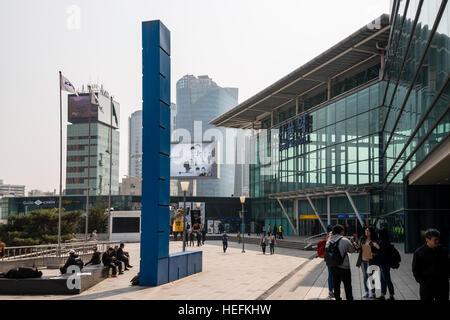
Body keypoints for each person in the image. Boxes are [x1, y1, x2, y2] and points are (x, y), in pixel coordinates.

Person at [412, 228, 450, 301]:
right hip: (427, 288)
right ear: (427, 239)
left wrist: (446, 279)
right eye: (435, 240)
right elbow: (415, 270)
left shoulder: (443, 250)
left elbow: (448, 265)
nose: (437, 241)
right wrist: (423, 283)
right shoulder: (419, 252)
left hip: (442, 286)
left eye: (438, 239)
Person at [326, 224, 357, 300]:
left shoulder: (329, 240)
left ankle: (337, 298)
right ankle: (349, 298)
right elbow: (352, 250)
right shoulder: (345, 240)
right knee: (347, 285)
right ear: (341, 231)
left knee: (336, 284)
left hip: (333, 266)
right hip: (344, 266)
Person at [355, 226, 379, 299]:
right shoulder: (362, 239)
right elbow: (359, 248)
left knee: (371, 276)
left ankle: (372, 292)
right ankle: (366, 291)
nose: (366, 232)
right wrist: (356, 245)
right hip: (363, 260)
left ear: (371, 232)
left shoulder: (375, 240)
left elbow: (378, 250)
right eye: (366, 231)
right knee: (365, 276)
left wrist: (374, 254)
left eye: (368, 231)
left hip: (371, 260)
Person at [374, 229, 395, 300]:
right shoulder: (384, 242)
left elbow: (383, 254)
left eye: (379, 234)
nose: (378, 235)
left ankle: (391, 295)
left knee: (387, 279)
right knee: (382, 280)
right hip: (383, 264)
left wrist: (378, 247)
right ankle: (383, 295)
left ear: (382, 234)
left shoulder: (384, 243)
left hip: (384, 264)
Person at [318, 227, 334, 299]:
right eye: (331, 234)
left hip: (331, 261)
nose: (331, 235)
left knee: (332, 276)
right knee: (331, 276)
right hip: (330, 261)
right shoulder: (328, 242)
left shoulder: (329, 241)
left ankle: (331, 291)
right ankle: (331, 291)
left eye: (332, 234)